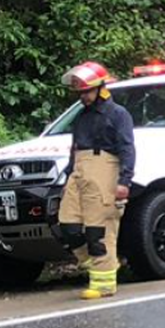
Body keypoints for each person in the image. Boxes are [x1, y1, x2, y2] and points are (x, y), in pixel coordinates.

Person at [54, 61, 136, 299]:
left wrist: (124, 181)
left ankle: (104, 284)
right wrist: (68, 176)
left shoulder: (118, 114)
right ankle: (100, 263)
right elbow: (75, 149)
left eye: (87, 91)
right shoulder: (81, 116)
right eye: (80, 93)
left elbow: (127, 148)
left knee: (98, 230)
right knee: (67, 224)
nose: (84, 97)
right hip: (80, 170)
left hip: (104, 170)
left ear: (101, 88)